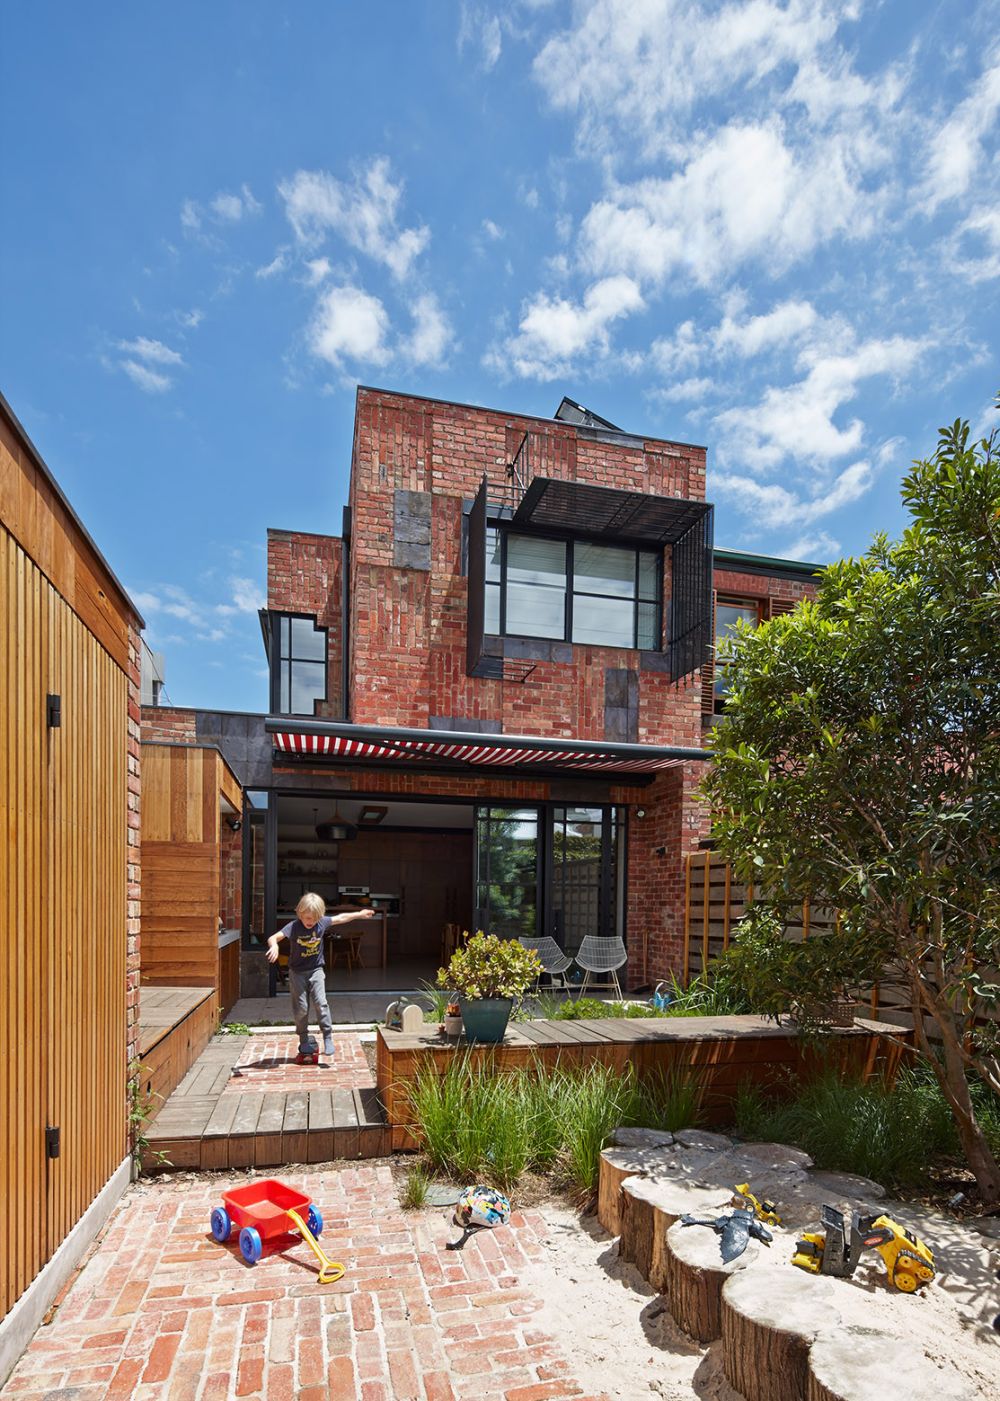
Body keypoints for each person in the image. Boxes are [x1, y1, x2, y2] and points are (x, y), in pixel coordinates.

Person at [266, 893, 376, 1057]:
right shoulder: (294, 926)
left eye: (314, 919)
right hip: (297, 973)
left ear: (320, 916)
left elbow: (341, 918)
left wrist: (359, 914)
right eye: (307, 918)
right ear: (300, 913)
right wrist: (274, 946)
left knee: (321, 1003)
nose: (310, 922)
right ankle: (303, 1040)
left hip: (316, 970)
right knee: (301, 1009)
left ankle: (327, 1036)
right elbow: (273, 937)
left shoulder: (322, 923)